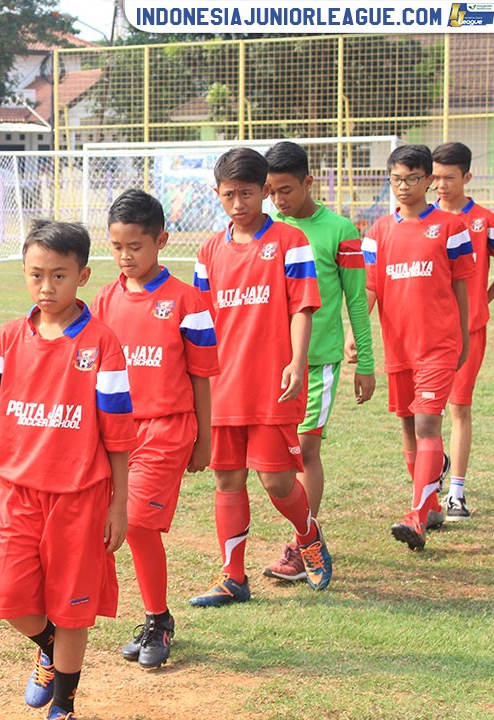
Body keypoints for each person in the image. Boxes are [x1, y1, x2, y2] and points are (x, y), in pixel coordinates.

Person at [0, 219, 135, 720]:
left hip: (80, 498)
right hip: (16, 493)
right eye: (36, 275)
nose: (47, 287)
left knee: (72, 609)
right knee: (10, 599)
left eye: (60, 276)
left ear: (83, 275)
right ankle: (49, 647)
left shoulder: (102, 343)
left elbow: (118, 435)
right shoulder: (4, 341)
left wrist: (119, 503)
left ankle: (64, 705)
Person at [188, 147, 332, 607]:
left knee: (277, 482)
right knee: (227, 480)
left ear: (264, 192)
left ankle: (308, 535)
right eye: (228, 195)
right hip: (223, 385)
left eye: (247, 193)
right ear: (217, 194)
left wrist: (296, 360)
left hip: (272, 382)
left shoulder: (290, 242)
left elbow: (302, 307)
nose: (237, 204)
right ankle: (233, 577)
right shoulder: (208, 251)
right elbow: (200, 323)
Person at [90, 189, 219, 669]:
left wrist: (205, 438)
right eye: (117, 246)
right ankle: (152, 616)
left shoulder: (188, 301)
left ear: (161, 240)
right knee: (115, 527)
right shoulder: (103, 300)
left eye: (136, 246)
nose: (125, 256)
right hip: (115, 436)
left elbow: (202, 378)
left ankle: (159, 620)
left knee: (140, 523)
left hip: (167, 431)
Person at [261, 141, 376, 582]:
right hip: (274, 363)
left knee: (306, 449)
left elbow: (355, 300)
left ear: (309, 182)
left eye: (285, 190)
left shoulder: (340, 229)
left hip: (319, 361)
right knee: (276, 459)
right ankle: (305, 534)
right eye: (270, 191)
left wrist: (364, 361)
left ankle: (299, 546)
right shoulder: (268, 230)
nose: (278, 200)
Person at [362, 144, 474, 550]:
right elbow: (370, 287)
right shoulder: (377, 233)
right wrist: (359, 334)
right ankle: (429, 506)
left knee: (428, 423)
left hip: (438, 345)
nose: (403, 187)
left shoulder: (449, 227)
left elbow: (461, 284)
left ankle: (416, 515)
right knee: (409, 426)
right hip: (399, 348)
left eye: (412, 179)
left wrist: (461, 335)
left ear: (428, 180)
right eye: (396, 180)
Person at [430, 141, 494, 521]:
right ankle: (432, 474)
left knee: (459, 407)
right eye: (435, 178)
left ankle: (456, 492)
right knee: (426, 411)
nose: (440, 185)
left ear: (467, 177)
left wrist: (480, 303)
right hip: (428, 333)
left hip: (468, 331)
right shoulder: (424, 221)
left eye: (448, 177)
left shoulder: (487, 221)